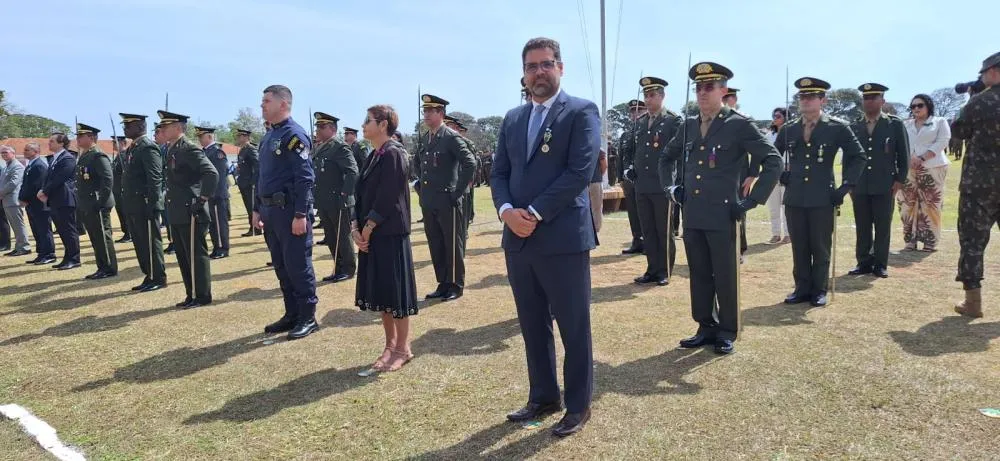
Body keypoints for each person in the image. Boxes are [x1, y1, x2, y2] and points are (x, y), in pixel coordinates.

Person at [491, 37, 600, 437]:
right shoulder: (513, 118)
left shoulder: (582, 112)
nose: (539, 72)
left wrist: (533, 213)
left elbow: (579, 172)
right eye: (532, 66)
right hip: (518, 239)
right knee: (532, 322)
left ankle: (578, 404)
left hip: (562, 237)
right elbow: (499, 173)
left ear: (560, 67)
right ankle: (543, 395)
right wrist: (506, 213)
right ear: (523, 73)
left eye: (546, 64)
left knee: (573, 324)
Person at [663, 61, 782, 354]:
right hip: (693, 212)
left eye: (709, 87)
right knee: (700, 273)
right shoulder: (688, 124)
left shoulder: (739, 125)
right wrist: (671, 188)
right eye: (698, 87)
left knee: (725, 274)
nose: (702, 93)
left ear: (723, 90)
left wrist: (752, 201)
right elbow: (666, 158)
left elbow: (773, 160)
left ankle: (727, 329)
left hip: (724, 212)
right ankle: (705, 325)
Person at [776, 77, 866, 307]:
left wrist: (846, 186)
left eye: (810, 96)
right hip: (795, 196)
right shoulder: (789, 128)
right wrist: (780, 175)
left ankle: (819, 289)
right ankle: (802, 288)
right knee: (800, 245)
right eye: (802, 97)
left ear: (822, 99)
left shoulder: (836, 127)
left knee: (820, 244)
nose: (805, 101)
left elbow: (858, 156)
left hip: (823, 196)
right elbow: (771, 156)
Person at [354, 104, 419, 373]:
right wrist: (355, 226)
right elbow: (361, 193)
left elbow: (388, 196)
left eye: (367, 121)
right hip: (372, 235)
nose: (363, 125)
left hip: (389, 233)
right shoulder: (373, 155)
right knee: (382, 293)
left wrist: (368, 227)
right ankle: (390, 345)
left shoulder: (394, 153)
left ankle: (403, 348)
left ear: (383, 125)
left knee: (396, 294)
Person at [254, 85, 320, 339]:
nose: (262, 105)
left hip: (290, 212)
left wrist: (301, 214)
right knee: (281, 266)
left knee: (297, 265)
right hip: (270, 212)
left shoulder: (294, 135)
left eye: (266, 101)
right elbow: (262, 177)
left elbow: (305, 178)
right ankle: (292, 313)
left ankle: (308, 316)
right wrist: (257, 209)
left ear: (283, 104)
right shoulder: (269, 137)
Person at [413, 94, 476, 301]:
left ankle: (456, 285)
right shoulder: (425, 138)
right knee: (436, 242)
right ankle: (443, 282)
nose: (427, 115)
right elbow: (417, 162)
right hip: (429, 201)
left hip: (448, 200)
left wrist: (457, 192)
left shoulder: (450, 137)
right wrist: (420, 186)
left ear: (441, 114)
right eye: (425, 111)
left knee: (452, 243)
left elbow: (470, 163)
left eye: (431, 111)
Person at [951, 51, 1000, 318]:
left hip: (979, 185)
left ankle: (973, 302)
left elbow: (959, 131)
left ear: (993, 71)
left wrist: (972, 97)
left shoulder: (981, 101)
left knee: (972, 243)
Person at [848, 83, 910, 278]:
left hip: (885, 183)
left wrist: (900, 180)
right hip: (860, 184)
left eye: (873, 97)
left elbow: (904, 155)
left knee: (882, 225)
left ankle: (880, 264)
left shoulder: (894, 124)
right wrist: (848, 182)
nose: (869, 101)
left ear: (882, 101)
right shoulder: (855, 125)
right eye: (865, 98)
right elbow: (849, 157)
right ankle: (863, 262)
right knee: (862, 225)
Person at [159, 111, 218, 308]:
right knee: (183, 256)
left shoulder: (188, 149)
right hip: (177, 210)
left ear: (178, 128)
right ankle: (191, 293)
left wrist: (202, 199)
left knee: (195, 255)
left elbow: (211, 173)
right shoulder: (172, 149)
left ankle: (202, 295)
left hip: (191, 210)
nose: (162, 130)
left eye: (166, 127)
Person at [626, 76, 679, 286]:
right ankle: (651, 268)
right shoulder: (640, 122)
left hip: (662, 184)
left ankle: (664, 270)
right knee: (647, 229)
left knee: (663, 230)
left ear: (662, 96)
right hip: (642, 184)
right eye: (646, 96)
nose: (648, 100)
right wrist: (631, 168)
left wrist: (676, 182)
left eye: (652, 95)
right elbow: (634, 149)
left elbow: (678, 153)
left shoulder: (673, 121)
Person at [120, 113, 167, 292]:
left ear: (140, 127)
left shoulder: (147, 147)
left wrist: (154, 204)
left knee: (150, 241)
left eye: (128, 126)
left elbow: (155, 179)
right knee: (140, 242)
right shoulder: (134, 147)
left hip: (145, 203)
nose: (125, 129)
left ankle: (158, 276)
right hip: (134, 203)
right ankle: (149, 275)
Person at [900, 93, 952, 252]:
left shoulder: (939, 122)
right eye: (913, 106)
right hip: (909, 168)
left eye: (920, 105)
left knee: (930, 204)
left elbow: (943, 141)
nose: (916, 108)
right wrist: (908, 159)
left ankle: (930, 242)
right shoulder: (905, 124)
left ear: (928, 106)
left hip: (933, 166)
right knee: (907, 203)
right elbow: (900, 143)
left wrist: (922, 158)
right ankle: (910, 240)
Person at [312, 111, 359, 283]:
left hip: (338, 200)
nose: (317, 129)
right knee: (331, 237)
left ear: (332, 128)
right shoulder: (320, 147)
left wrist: (345, 194)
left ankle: (347, 268)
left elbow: (352, 171)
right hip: (324, 200)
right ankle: (338, 267)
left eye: (321, 126)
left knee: (342, 236)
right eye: (317, 126)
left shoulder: (339, 147)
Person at [75, 123, 118, 279]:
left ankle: (109, 268)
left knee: (102, 236)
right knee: (95, 237)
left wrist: (100, 202)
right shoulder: (85, 155)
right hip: (88, 203)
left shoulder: (97, 155)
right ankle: (102, 266)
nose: (77, 139)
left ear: (91, 138)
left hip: (97, 202)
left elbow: (107, 179)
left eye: (81, 136)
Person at [39, 132, 81, 270]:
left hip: (65, 199)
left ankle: (74, 258)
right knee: (62, 230)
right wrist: (44, 190)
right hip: (56, 199)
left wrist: (45, 191)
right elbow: (48, 178)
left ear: (61, 143)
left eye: (52, 141)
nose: (49, 143)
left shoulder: (67, 158)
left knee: (69, 230)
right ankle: (67, 257)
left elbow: (59, 178)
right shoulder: (55, 158)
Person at [196, 126, 231, 259]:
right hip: (209, 194)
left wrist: (213, 193)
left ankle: (222, 248)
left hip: (217, 194)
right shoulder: (205, 152)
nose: (199, 139)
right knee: (213, 224)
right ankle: (217, 247)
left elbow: (220, 175)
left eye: (201, 136)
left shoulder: (217, 152)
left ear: (209, 137)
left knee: (219, 223)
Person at [18, 142, 55, 264]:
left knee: (44, 230)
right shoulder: (30, 165)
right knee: (36, 229)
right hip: (31, 203)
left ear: (35, 151)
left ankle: (49, 254)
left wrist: (25, 198)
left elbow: (36, 186)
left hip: (39, 203)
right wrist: (22, 197)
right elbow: (25, 184)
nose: (24, 152)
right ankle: (41, 253)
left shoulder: (39, 166)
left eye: (27, 150)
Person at [618, 99, 646, 254]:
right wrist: (620, 178)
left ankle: (648, 243)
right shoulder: (626, 134)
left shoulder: (645, 131)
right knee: (633, 213)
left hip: (643, 178)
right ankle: (637, 240)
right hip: (629, 181)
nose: (635, 114)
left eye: (639, 111)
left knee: (645, 213)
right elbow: (621, 157)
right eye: (632, 111)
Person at [764, 108, 790, 244]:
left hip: (787, 173)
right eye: (773, 116)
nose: (775, 118)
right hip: (773, 174)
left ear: (786, 117)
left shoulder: (792, 133)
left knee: (786, 205)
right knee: (773, 206)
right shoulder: (769, 136)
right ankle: (775, 234)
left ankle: (788, 234)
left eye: (778, 116)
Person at [0, 145, 31, 256]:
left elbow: (13, 183)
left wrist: (0, 193)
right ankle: (18, 246)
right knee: (14, 225)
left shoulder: (17, 166)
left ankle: (24, 247)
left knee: (18, 225)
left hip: (13, 200)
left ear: (13, 153)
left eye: (6, 152)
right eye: (2, 153)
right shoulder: (6, 166)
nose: (3, 154)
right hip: (6, 200)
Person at [235, 129, 261, 237]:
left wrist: (254, 181)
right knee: (248, 206)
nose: (238, 138)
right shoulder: (243, 150)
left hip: (250, 183)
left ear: (246, 137)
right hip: (244, 183)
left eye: (240, 136)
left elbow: (257, 165)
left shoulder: (250, 149)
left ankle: (256, 228)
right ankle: (252, 227)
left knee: (252, 206)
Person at [110, 136, 131, 243]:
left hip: (123, 190)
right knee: (120, 213)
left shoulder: (125, 156)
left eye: (115, 142)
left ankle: (129, 233)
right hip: (117, 190)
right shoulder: (118, 156)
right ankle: (126, 232)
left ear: (123, 143)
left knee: (125, 213)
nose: (113, 144)